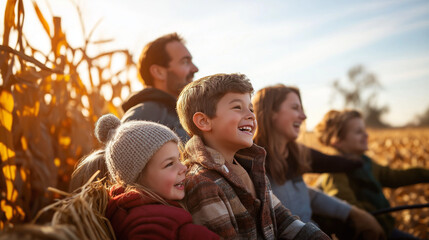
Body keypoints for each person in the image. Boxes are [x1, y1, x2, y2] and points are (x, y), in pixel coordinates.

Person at [176, 73, 330, 239]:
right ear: (204, 121)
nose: (250, 115)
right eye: (237, 107)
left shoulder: (251, 168)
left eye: (251, 108)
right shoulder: (203, 183)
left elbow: (282, 219)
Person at [252, 84, 385, 239]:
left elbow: (306, 192)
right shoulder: (252, 161)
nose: (304, 116)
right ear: (271, 113)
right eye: (295, 108)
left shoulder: (296, 153)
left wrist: (354, 213)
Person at [94, 114, 219, 239]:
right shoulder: (151, 227)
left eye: (179, 159)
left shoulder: (142, 214)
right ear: (138, 178)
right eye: (169, 164)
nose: (183, 168)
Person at [315, 109, 429, 240]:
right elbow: (343, 203)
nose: (366, 135)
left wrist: (425, 174)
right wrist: (366, 219)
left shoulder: (365, 162)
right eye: (359, 132)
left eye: (364, 130)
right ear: (337, 141)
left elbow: (394, 176)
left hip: (384, 230)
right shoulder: (334, 170)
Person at [121, 32, 199, 142]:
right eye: (185, 61)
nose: (195, 69)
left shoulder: (183, 114)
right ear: (158, 72)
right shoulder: (144, 116)